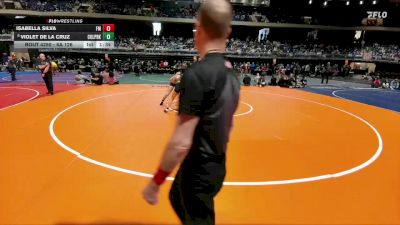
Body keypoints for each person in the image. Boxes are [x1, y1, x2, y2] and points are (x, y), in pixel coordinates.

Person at [142, 0, 240, 224]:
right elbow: (228, 125)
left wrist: (154, 183)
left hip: (198, 170)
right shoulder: (232, 75)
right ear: (228, 32)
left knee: (191, 207)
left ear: (199, 30)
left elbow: (181, 141)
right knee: (177, 196)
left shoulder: (196, 74)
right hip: (217, 164)